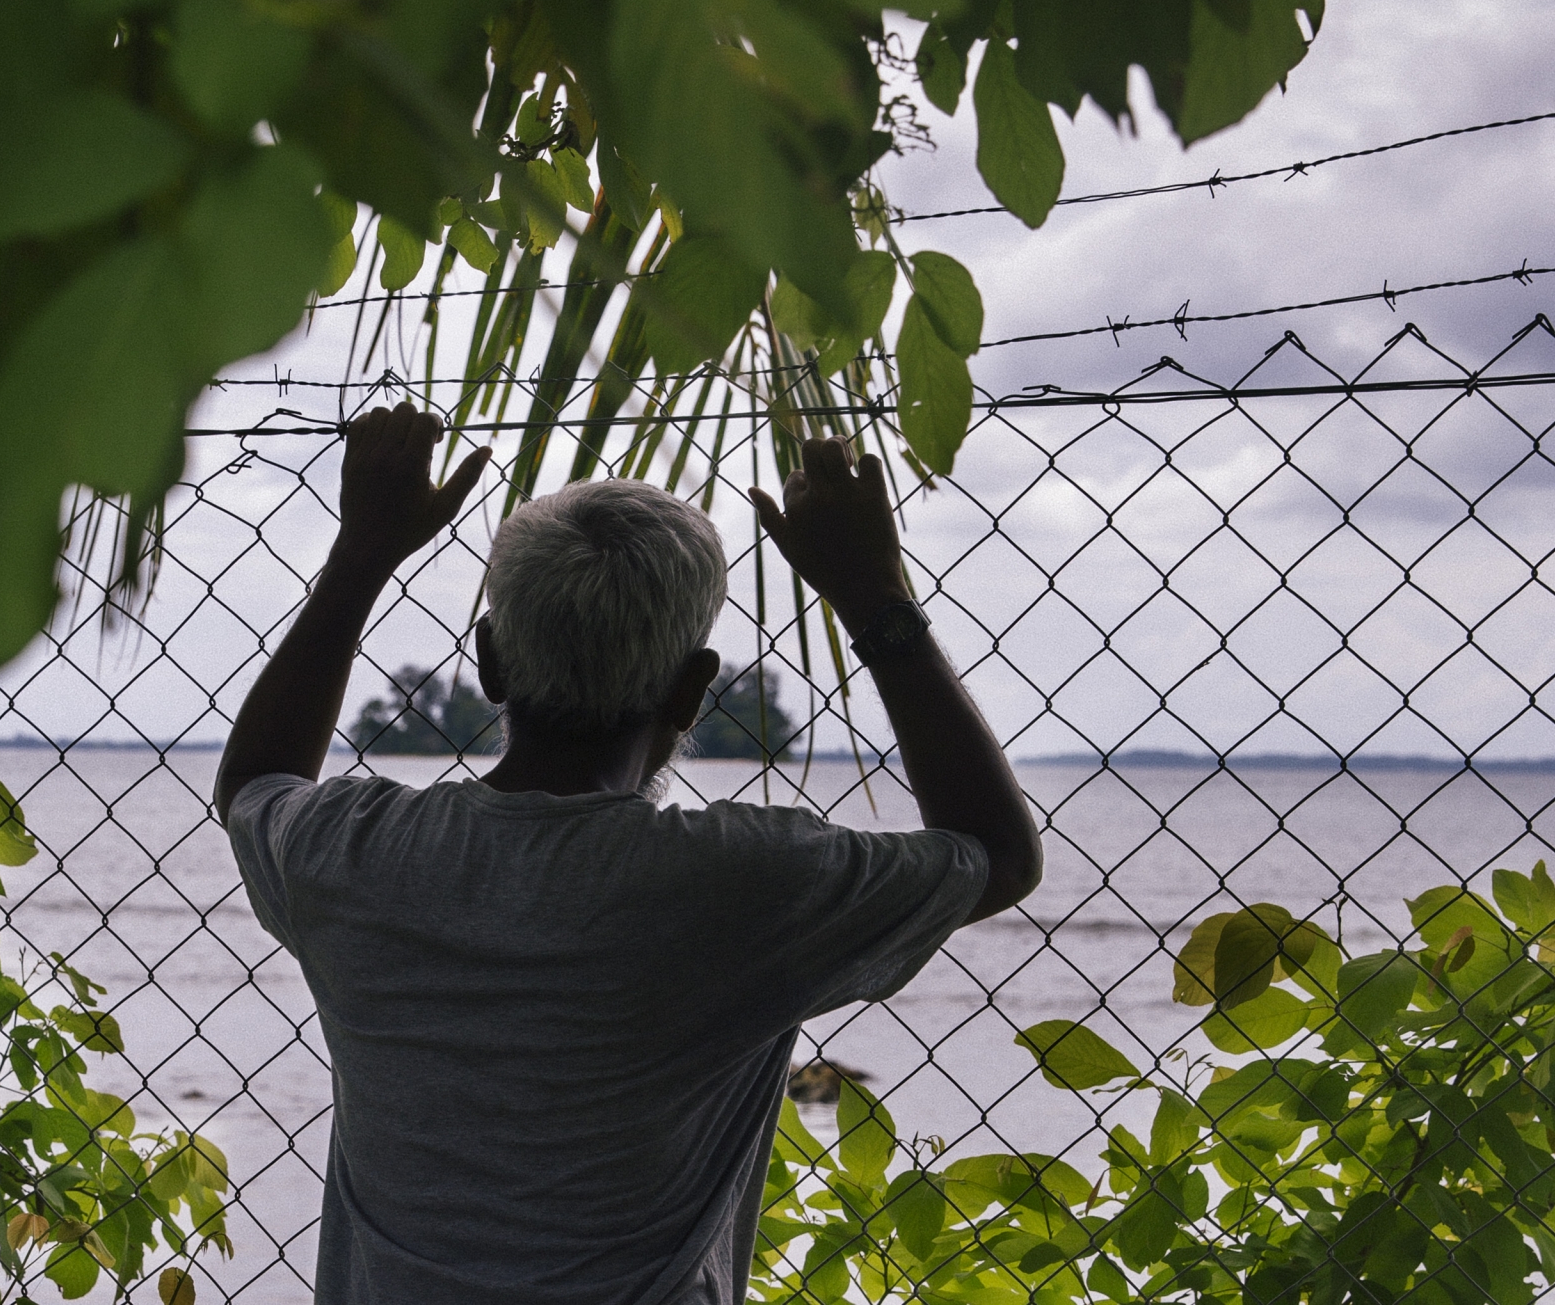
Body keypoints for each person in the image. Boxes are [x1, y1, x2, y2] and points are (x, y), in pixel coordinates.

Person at [215, 406, 1043, 1305]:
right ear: (692, 690)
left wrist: (363, 552)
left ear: (489, 662)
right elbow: (996, 852)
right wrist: (874, 595)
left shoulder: (358, 853)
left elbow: (255, 780)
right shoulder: (744, 884)